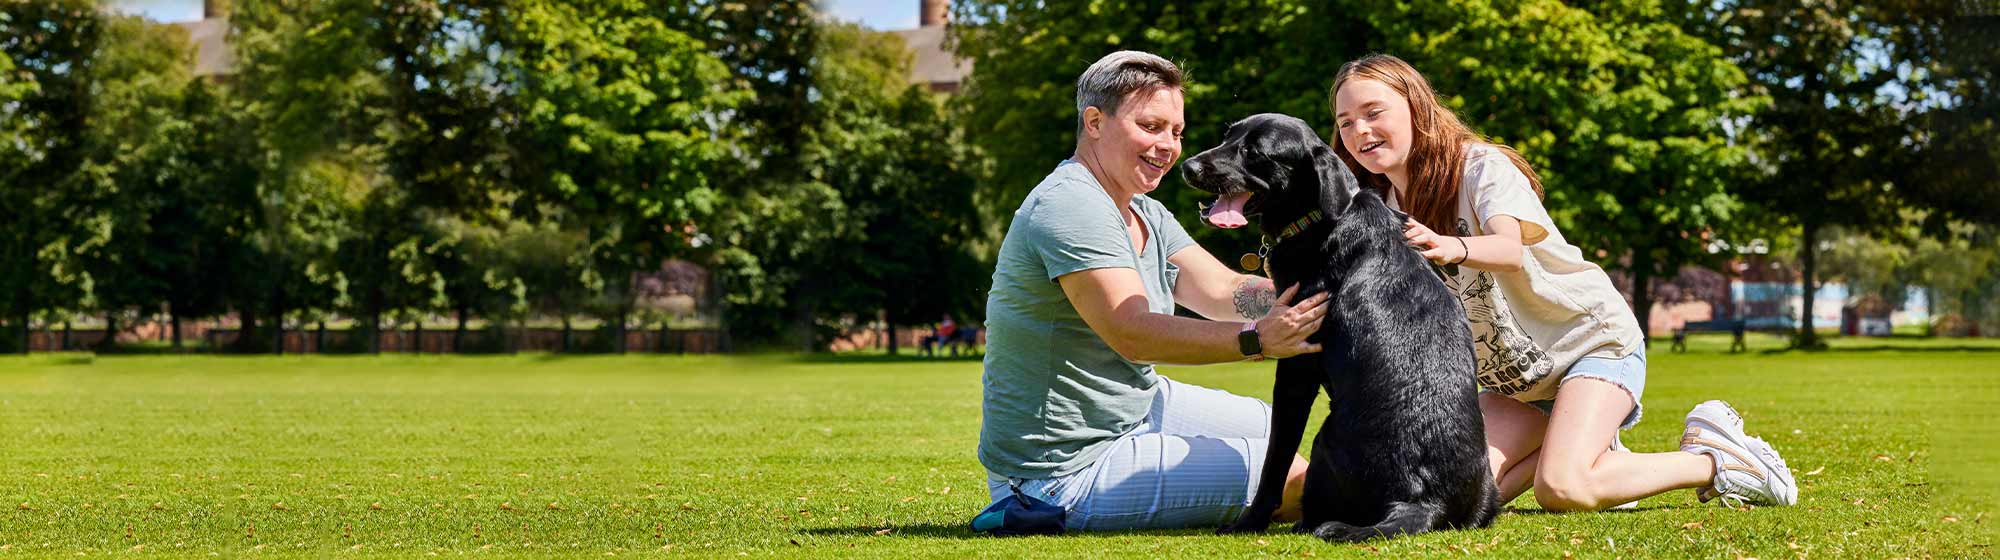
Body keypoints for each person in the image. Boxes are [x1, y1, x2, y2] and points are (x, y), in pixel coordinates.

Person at [1327, 54, 1797, 512]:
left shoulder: (1480, 166)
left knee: (1562, 488)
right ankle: (1599, 458)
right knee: (1452, 499)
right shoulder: (1376, 204)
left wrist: (1451, 245)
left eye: (1373, 112)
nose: (1360, 130)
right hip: (1518, 385)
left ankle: (1718, 460)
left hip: (1591, 345)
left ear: (1417, 107)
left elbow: (1509, 249)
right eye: (1346, 122)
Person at [979, 50, 1333, 531]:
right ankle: (1027, 506)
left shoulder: (1142, 209)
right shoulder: (1071, 205)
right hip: (1061, 471)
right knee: (1295, 481)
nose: (1168, 146)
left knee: (1275, 428)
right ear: (1095, 122)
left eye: (1176, 132)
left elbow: (1223, 290)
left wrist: (1328, 294)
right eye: (1151, 126)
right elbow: (1132, 332)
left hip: (1135, 410)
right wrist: (1257, 339)